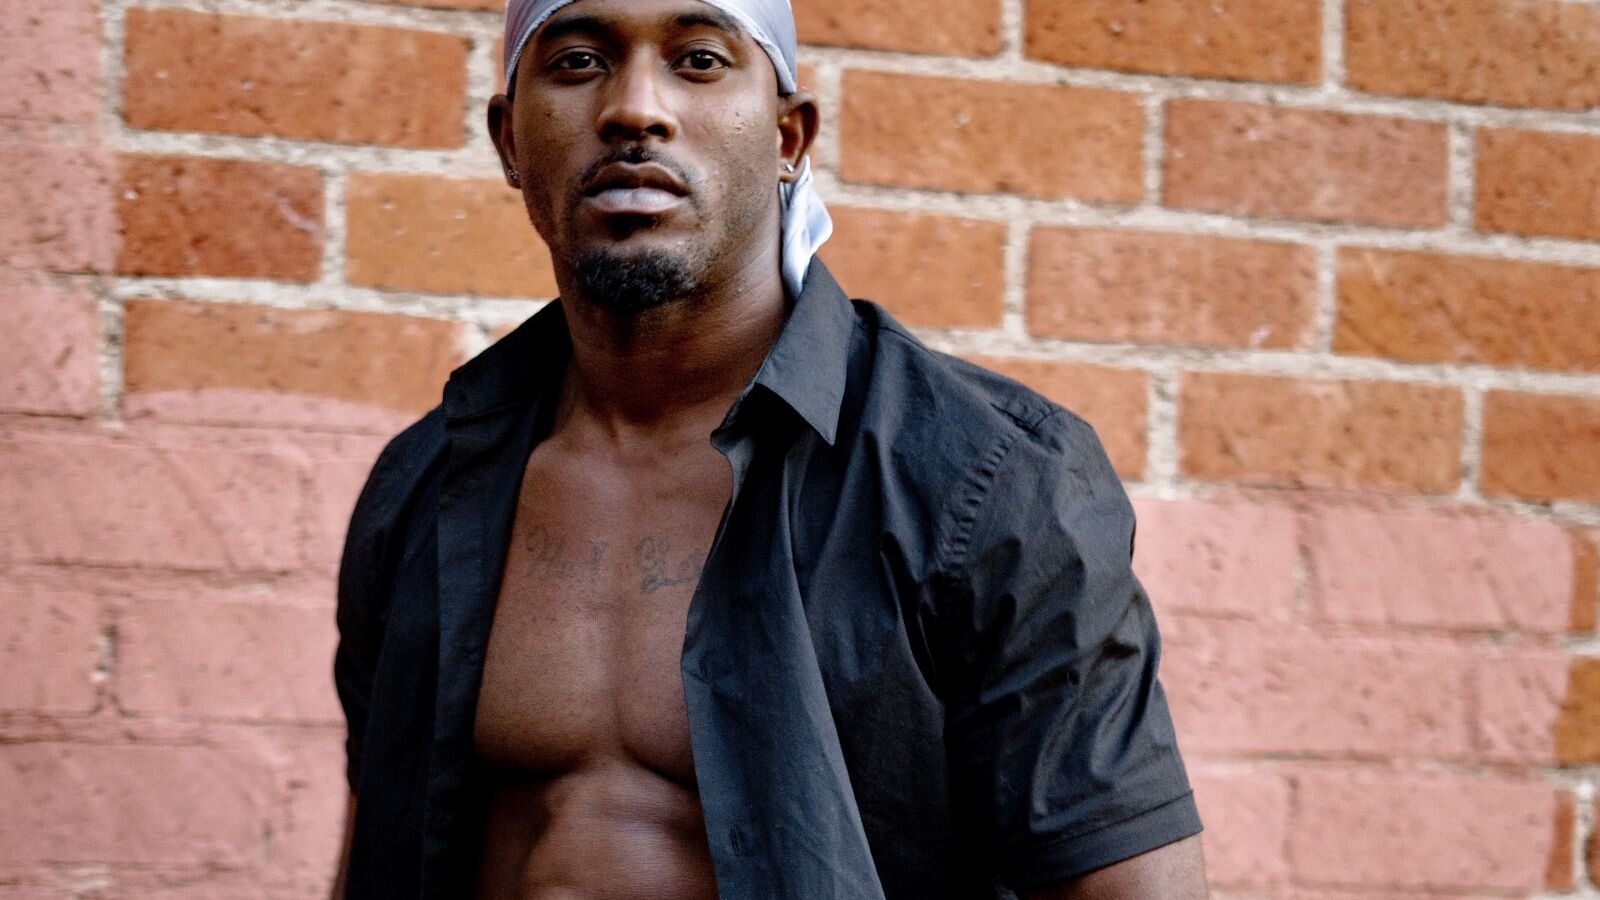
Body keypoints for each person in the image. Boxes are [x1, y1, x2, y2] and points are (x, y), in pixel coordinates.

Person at [331, 0, 1208, 896]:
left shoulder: (983, 482)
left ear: (789, 137)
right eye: (579, 61)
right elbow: (377, 854)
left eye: (699, 59)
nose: (635, 108)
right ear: (510, 140)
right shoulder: (426, 485)